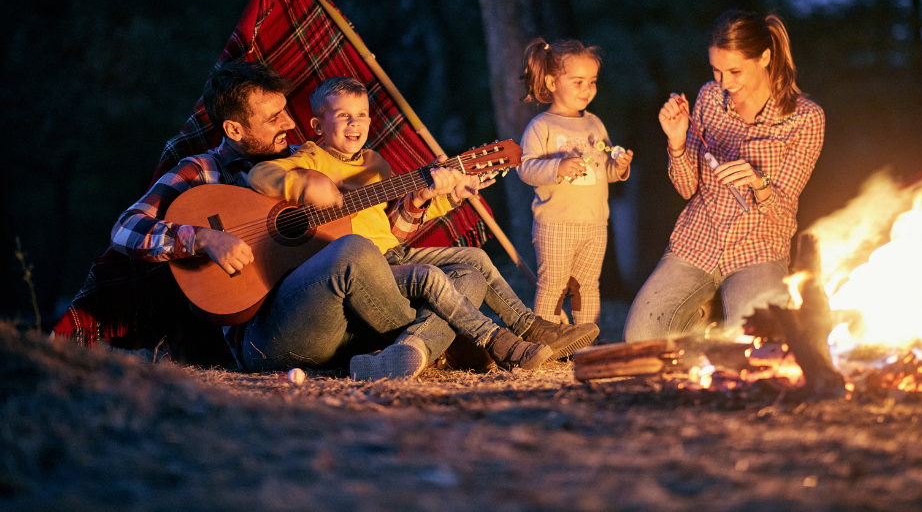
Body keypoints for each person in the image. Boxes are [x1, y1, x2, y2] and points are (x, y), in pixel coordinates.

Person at [110, 60, 546, 379]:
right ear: (235, 130)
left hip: (349, 321)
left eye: (286, 110)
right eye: (273, 117)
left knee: (464, 274)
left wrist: (421, 200)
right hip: (273, 334)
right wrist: (204, 237)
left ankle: (406, 353)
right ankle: (446, 340)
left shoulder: (306, 159)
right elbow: (126, 230)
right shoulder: (201, 172)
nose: (289, 121)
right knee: (353, 250)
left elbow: (383, 237)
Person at [246, 76, 601, 377]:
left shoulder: (375, 164)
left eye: (362, 115)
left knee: (474, 260)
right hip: (360, 268)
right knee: (434, 277)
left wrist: (441, 196)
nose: (355, 124)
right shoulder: (310, 157)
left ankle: (529, 326)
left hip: (392, 253)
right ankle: (499, 343)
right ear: (318, 125)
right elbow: (260, 174)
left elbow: (394, 231)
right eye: (343, 116)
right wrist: (303, 184)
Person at [623, 10, 825, 341]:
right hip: (698, 240)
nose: (724, 83)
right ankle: (703, 319)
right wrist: (676, 142)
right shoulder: (709, 98)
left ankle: (713, 321)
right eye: (716, 70)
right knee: (641, 337)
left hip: (759, 247)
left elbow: (782, 209)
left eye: (734, 71)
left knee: (758, 343)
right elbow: (687, 187)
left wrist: (758, 181)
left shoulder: (805, 119)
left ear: (765, 57)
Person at [515, 39, 633, 326]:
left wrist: (618, 168)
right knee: (553, 285)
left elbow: (604, 170)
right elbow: (525, 169)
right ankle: (546, 339)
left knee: (588, 286)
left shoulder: (594, 123)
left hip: (594, 224)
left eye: (591, 81)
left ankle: (586, 341)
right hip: (555, 223)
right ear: (552, 82)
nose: (587, 89)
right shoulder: (542, 126)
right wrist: (557, 167)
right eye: (578, 81)